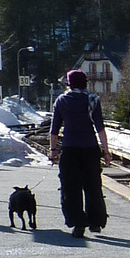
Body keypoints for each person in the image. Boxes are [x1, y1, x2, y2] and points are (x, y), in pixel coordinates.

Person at [49, 69, 111, 237]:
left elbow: (54, 130)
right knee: (93, 186)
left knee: (71, 188)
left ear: (69, 83)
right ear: (85, 82)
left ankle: (78, 224)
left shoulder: (61, 101)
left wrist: (53, 150)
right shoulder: (93, 99)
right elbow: (100, 128)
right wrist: (106, 151)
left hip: (70, 150)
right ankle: (96, 222)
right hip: (90, 149)